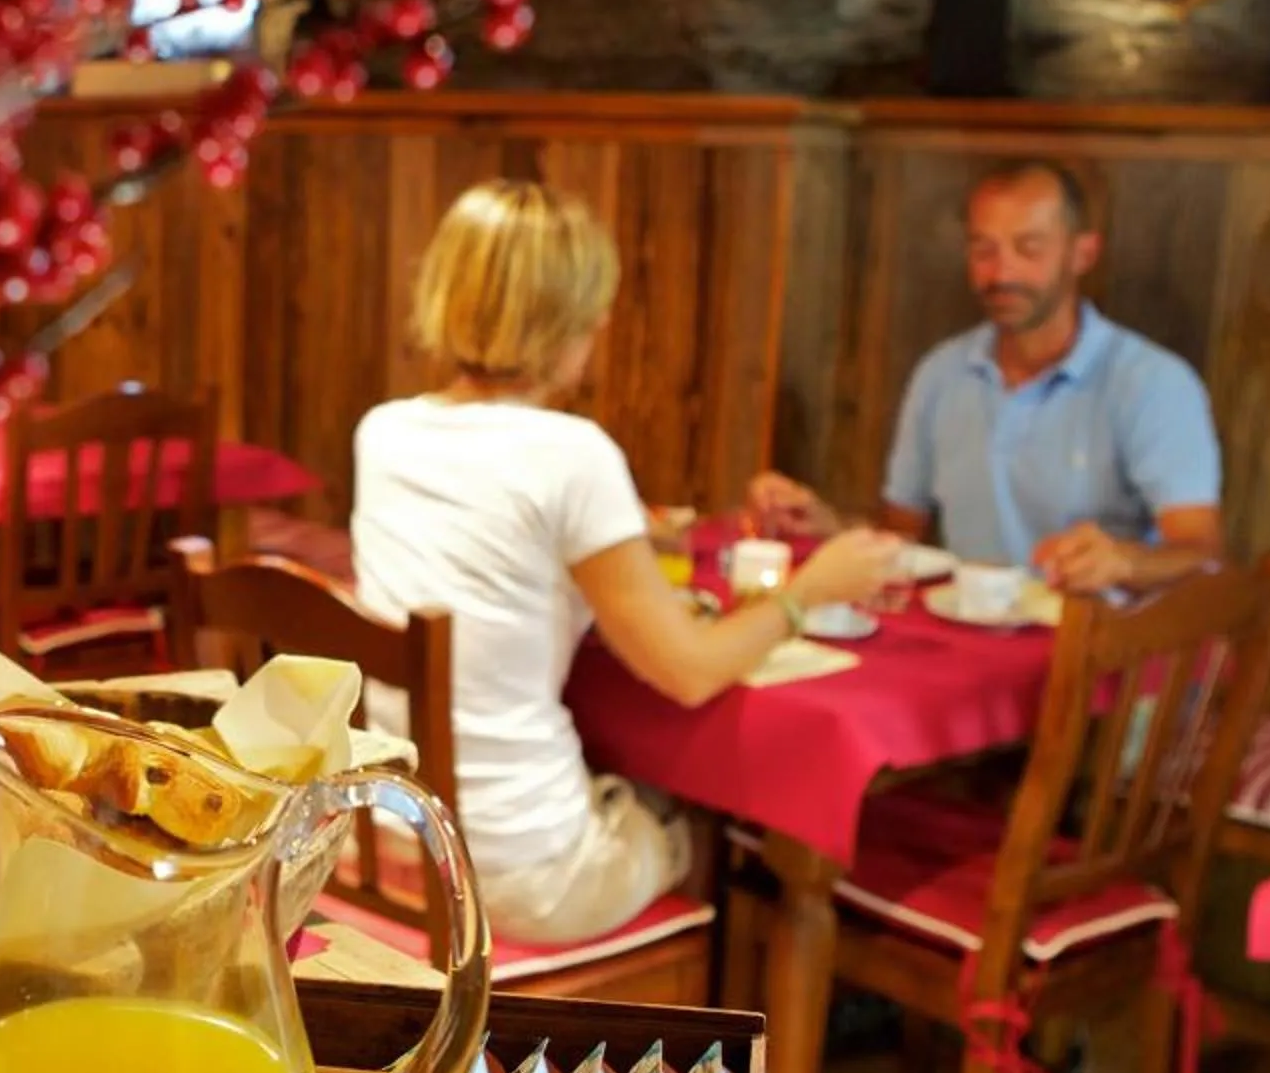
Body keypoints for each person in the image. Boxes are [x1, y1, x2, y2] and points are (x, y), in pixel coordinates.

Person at [352, 181, 902, 946]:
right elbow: (687, 672)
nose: (605, 320)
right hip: (516, 878)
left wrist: (634, 539)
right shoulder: (573, 456)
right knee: (719, 828)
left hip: (388, 840)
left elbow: (500, 546)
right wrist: (812, 591)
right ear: (566, 318)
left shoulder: (385, 433)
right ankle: (701, 1052)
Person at [750, 159, 1223, 594]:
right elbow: (900, 535)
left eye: (1028, 248)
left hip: (1102, 653)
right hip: (969, 635)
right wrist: (827, 526)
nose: (1002, 272)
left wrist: (1124, 561)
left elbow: (1201, 552)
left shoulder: (1151, 382)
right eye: (983, 250)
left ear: (1082, 254)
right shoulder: (942, 372)